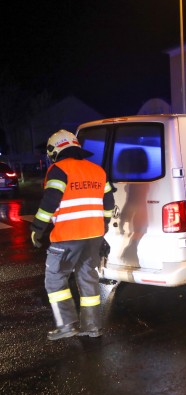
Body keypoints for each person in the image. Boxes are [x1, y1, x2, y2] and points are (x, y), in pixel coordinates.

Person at [30, 130, 115, 340]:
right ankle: (92, 327)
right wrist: (102, 230)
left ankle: (67, 325)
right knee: (88, 278)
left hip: (67, 236)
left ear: (55, 149)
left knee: (55, 278)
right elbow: (109, 205)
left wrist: (37, 228)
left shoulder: (58, 169)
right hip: (93, 235)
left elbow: (50, 202)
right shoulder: (97, 170)